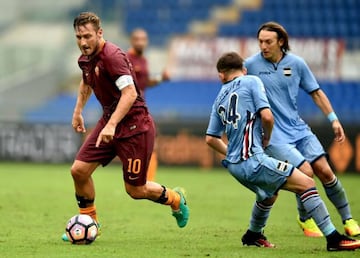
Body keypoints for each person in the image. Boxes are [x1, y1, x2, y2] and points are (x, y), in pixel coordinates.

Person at [205, 51, 360, 251]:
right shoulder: (251, 81)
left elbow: (210, 138)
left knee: (268, 194)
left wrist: (232, 155)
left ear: (221, 75)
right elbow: (268, 117)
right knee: (306, 183)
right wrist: (267, 137)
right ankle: (334, 238)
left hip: (235, 167)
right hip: (253, 159)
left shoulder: (219, 98)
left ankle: (253, 234)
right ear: (243, 70)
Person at [62, 12, 189, 241]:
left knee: (135, 190)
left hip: (134, 127)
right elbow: (86, 80)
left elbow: (130, 93)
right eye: (78, 37)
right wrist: (77, 111)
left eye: (87, 36)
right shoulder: (85, 58)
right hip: (110, 122)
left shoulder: (113, 56)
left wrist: (111, 125)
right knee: (78, 171)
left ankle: (176, 199)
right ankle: (90, 222)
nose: (82, 42)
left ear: (100, 33)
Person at [245, 21, 360, 238]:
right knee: (306, 172)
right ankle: (305, 218)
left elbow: (316, 93)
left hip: (298, 129)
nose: (263, 46)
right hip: (274, 135)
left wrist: (334, 119)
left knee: (325, 171)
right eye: (260, 41)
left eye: (268, 42)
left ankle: (348, 219)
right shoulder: (250, 65)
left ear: (281, 42)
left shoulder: (296, 64)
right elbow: (234, 86)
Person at [127, 28, 170, 181]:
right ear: (131, 41)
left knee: (150, 144)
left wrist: (160, 78)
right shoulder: (126, 59)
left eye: (143, 39)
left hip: (140, 109)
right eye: (137, 39)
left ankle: (147, 181)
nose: (140, 42)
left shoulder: (143, 61)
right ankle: (145, 181)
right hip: (129, 110)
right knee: (147, 144)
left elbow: (143, 83)